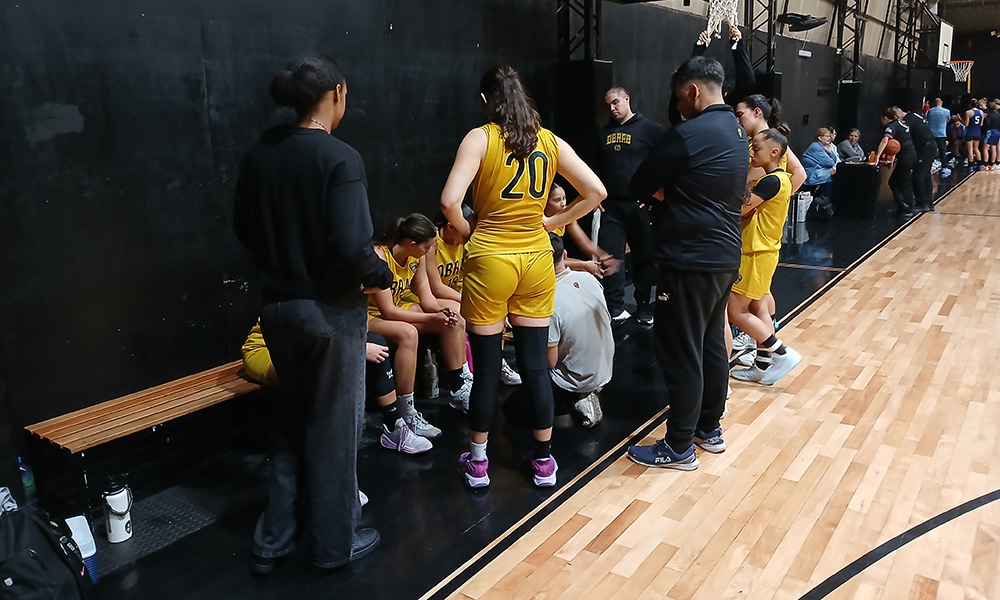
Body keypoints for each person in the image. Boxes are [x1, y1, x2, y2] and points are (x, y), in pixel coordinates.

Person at [234, 54, 389, 574]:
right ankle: (333, 545)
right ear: (337, 94)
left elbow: (242, 226)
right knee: (334, 433)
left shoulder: (260, 153)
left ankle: (271, 542)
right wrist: (380, 272)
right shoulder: (340, 158)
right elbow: (351, 244)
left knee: (290, 423)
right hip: (330, 315)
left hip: (276, 310)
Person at [440, 65, 606, 488]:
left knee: (489, 367)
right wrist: (555, 223)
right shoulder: (548, 140)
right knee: (535, 366)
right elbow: (596, 192)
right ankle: (545, 461)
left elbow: (448, 202)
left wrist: (467, 229)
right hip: (535, 258)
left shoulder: (480, 137)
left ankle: (478, 463)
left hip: (491, 258)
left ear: (485, 100)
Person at [626, 56, 749, 470]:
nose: (677, 107)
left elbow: (638, 184)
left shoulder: (689, 134)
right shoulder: (734, 128)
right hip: (722, 255)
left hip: (689, 258)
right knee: (711, 343)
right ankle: (707, 428)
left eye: (680, 97)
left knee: (680, 349)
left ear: (693, 91)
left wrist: (667, 194)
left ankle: (678, 445)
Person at [241, 322, 432, 455]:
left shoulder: (347, 283)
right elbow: (306, 336)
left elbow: (357, 329)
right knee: (319, 367)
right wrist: (357, 348)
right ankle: (326, 467)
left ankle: (395, 426)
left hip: (317, 346)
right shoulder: (305, 285)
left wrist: (358, 345)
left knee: (376, 342)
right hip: (269, 348)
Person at [367, 214, 471, 435]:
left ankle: (459, 387)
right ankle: (406, 411)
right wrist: (431, 318)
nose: (431, 249)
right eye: (428, 246)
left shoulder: (418, 257)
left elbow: (427, 299)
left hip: (399, 307)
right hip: (370, 316)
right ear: (412, 244)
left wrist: (440, 312)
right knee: (408, 333)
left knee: (453, 318)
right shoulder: (380, 256)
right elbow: (388, 310)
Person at [402, 208, 523, 386]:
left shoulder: (467, 242)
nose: (470, 231)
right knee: (463, 311)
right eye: (466, 226)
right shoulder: (432, 243)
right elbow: (436, 288)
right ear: (451, 226)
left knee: (493, 307)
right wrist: (469, 301)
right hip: (437, 294)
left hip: (457, 293)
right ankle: (467, 373)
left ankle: (496, 364)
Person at [504, 234, 615, 428]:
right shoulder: (588, 279)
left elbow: (549, 362)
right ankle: (585, 393)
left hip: (574, 379)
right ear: (564, 255)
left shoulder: (546, 300)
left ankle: (573, 398)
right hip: (605, 372)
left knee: (511, 409)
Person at [729, 130, 802, 386]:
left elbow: (739, 209)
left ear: (774, 152)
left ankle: (781, 352)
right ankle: (761, 365)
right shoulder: (777, 180)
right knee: (758, 308)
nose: (751, 152)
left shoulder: (771, 182)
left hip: (755, 253)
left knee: (735, 312)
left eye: (756, 148)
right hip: (764, 252)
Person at [595, 86, 665, 326]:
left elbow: (664, 164)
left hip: (640, 205)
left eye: (616, 102)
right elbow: (594, 169)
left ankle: (644, 306)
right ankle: (614, 307)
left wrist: (655, 195)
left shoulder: (651, 130)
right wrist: (596, 198)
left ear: (627, 99)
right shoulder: (603, 133)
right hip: (611, 206)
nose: (612, 108)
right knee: (610, 256)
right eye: (608, 105)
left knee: (644, 257)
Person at [543, 182, 616, 279]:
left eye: (564, 198)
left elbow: (583, 242)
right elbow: (552, 261)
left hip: (558, 261)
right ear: (545, 203)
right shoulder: (540, 224)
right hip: (545, 266)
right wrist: (583, 265)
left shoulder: (566, 216)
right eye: (557, 200)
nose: (563, 203)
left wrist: (604, 257)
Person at [874, 107, 917, 219]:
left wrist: (877, 157)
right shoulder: (902, 124)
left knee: (904, 181)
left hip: (906, 155)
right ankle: (902, 205)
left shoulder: (891, 126)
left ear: (885, 118)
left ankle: (908, 208)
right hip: (910, 153)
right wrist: (893, 155)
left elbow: (885, 141)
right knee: (893, 181)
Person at [895, 106, 936, 212]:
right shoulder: (913, 114)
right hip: (930, 145)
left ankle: (922, 203)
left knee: (918, 176)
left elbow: (905, 136)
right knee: (926, 174)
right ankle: (929, 203)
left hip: (925, 147)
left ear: (897, 116)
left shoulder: (908, 120)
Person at [800, 127, 838, 202]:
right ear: (820, 138)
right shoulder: (816, 147)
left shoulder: (824, 147)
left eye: (830, 136)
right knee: (832, 175)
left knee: (834, 173)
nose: (829, 138)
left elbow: (834, 160)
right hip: (812, 174)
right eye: (826, 136)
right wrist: (830, 155)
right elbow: (829, 162)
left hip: (820, 172)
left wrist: (831, 153)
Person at [926, 98, 951, 165]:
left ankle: (930, 164)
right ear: (941, 103)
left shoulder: (930, 111)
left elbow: (927, 120)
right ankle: (944, 166)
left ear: (934, 103)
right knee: (942, 150)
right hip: (941, 133)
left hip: (931, 133)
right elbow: (948, 120)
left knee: (931, 150)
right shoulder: (947, 111)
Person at [963, 99, 985, 170]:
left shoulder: (968, 112)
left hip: (970, 132)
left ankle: (971, 165)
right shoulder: (981, 112)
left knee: (970, 150)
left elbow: (966, 124)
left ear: (970, 105)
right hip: (977, 132)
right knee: (976, 149)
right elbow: (981, 124)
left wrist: (960, 119)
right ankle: (980, 165)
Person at [983, 100, 1000, 170]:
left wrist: (985, 118)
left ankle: (986, 165)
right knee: (994, 148)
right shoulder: (999, 115)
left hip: (991, 132)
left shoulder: (990, 115)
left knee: (985, 148)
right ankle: (992, 165)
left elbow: (987, 124)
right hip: (998, 132)